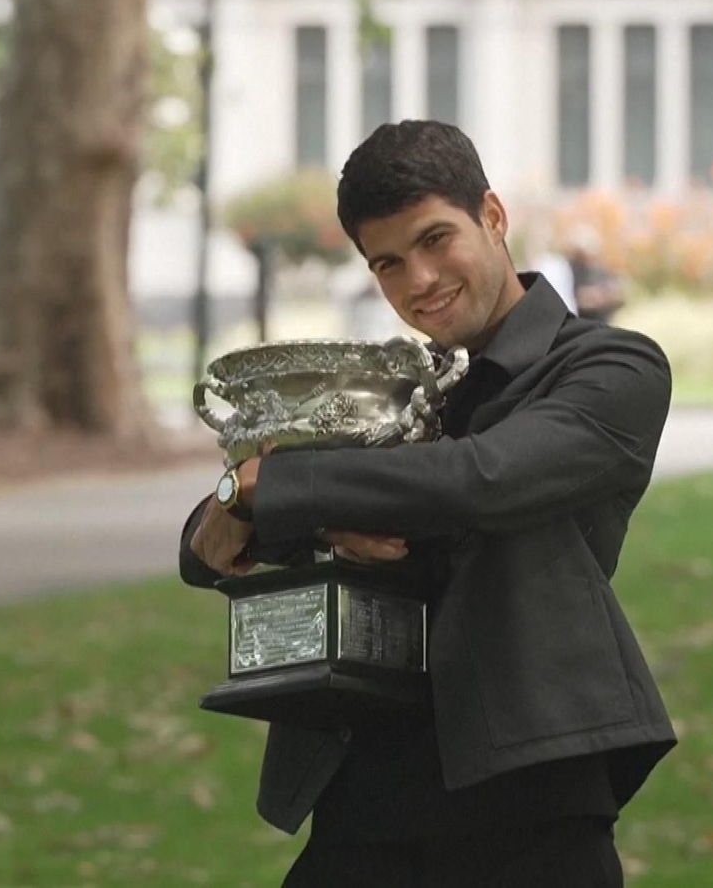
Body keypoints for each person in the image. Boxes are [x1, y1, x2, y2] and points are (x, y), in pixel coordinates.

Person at [180, 120, 675, 888]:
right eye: (388, 263)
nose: (418, 281)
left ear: (494, 216)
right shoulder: (393, 396)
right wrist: (231, 503)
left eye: (436, 239)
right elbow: (208, 543)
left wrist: (277, 492)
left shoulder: (611, 368)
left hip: (531, 808)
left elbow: (483, 478)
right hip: (362, 799)